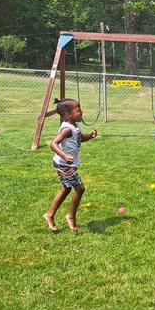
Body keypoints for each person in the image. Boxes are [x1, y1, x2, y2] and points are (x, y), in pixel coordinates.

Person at [44, 98, 97, 232]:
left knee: (66, 189)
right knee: (80, 189)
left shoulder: (74, 126)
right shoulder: (67, 129)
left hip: (66, 164)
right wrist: (65, 156)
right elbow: (53, 144)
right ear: (68, 114)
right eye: (78, 110)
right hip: (63, 164)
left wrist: (89, 136)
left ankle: (49, 214)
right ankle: (70, 216)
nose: (81, 112)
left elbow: (78, 139)